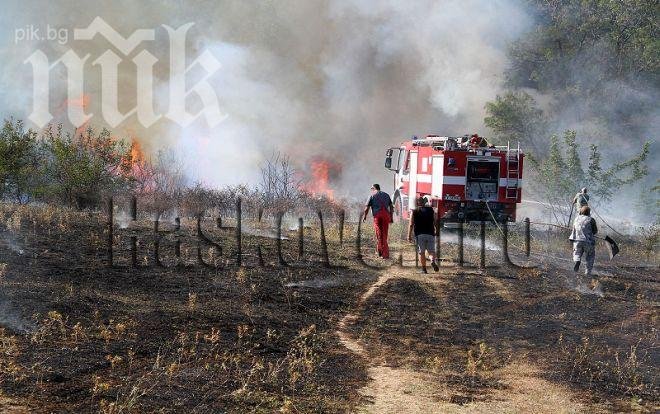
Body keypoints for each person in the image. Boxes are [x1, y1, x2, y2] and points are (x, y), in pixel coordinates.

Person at [407, 196, 439, 273]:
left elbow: (411, 224)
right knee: (431, 251)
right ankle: (432, 261)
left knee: (421, 252)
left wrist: (409, 235)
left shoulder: (414, 211)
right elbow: (435, 222)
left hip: (419, 235)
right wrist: (437, 231)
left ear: (417, 202)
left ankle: (424, 269)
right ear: (424, 202)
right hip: (430, 234)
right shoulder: (431, 210)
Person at [363, 184, 393, 259]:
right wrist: (391, 217)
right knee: (384, 234)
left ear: (374, 188)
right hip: (386, 215)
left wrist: (365, 216)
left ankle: (383, 253)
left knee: (379, 234)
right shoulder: (386, 195)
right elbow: (391, 207)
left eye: (371, 188)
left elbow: (367, 208)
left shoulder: (372, 195)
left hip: (377, 216)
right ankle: (381, 251)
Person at [569, 205, 598, 277]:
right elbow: (595, 231)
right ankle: (588, 272)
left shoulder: (576, 219)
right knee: (590, 256)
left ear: (580, 212)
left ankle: (577, 261)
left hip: (577, 240)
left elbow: (574, 229)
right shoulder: (591, 219)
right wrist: (590, 234)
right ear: (589, 212)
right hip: (588, 241)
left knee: (577, 253)